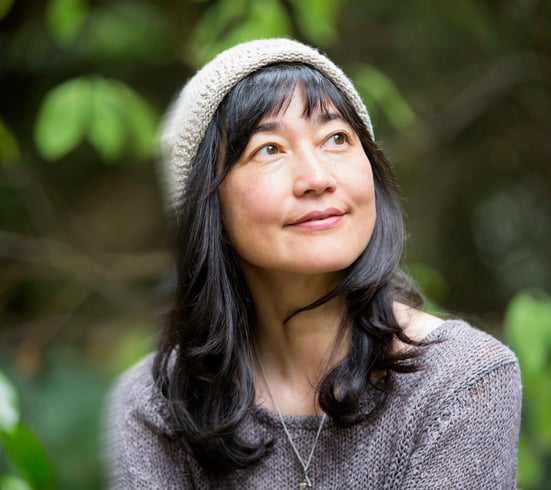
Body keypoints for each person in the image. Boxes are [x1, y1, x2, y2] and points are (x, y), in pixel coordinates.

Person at [106, 38, 522, 489]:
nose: (317, 178)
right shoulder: (155, 405)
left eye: (336, 138)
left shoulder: (462, 383)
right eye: (269, 149)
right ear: (207, 205)